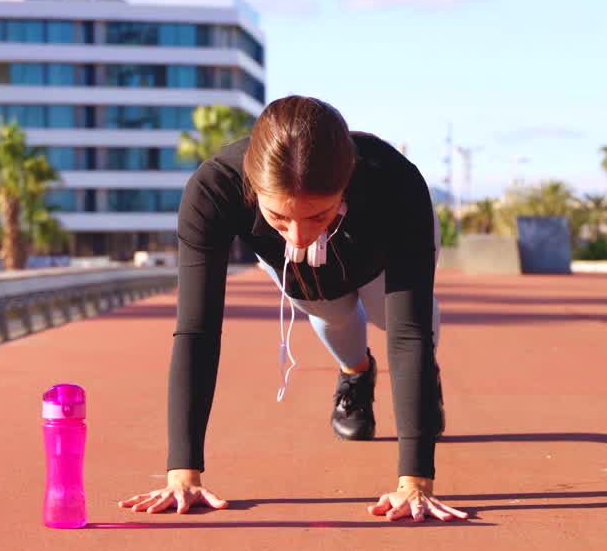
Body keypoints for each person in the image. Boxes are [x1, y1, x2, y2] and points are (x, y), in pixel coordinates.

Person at [118, 95, 468, 522]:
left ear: (348, 182)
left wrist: (415, 483)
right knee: (331, 314)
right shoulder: (213, 189)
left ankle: (424, 378)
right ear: (251, 187)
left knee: (393, 318)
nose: (298, 237)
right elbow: (197, 330)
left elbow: (408, 332)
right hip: (312, 278)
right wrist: (182, 475)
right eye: (280, 219)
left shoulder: (396, 182)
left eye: (317, 215)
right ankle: (357, 373)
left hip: (379, 252)